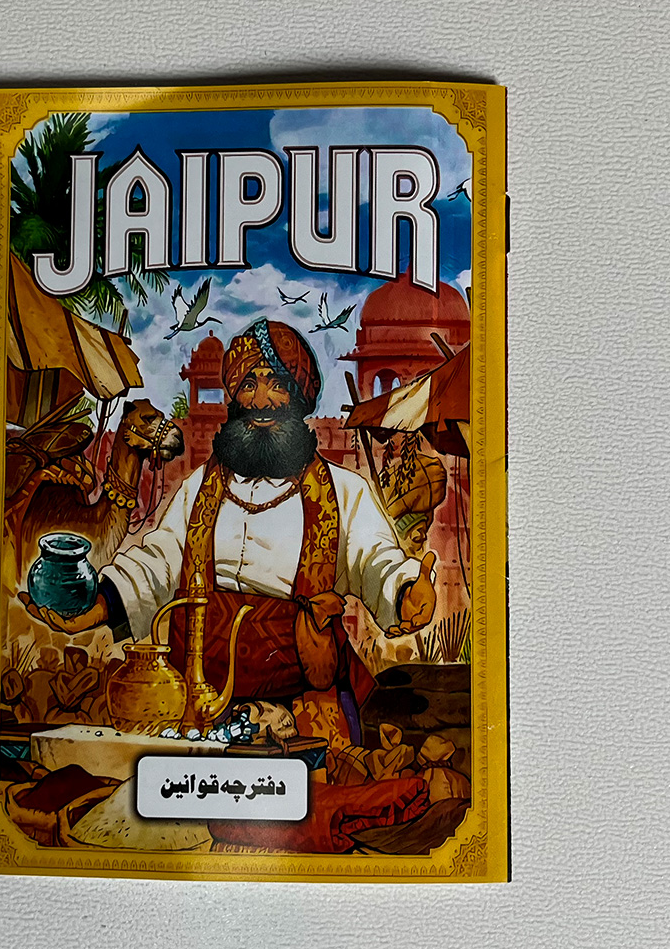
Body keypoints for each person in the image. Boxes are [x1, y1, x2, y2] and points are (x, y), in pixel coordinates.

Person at [22, 318, 436, 746]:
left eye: (277, 385)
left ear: (297, 398)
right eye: (249, 385)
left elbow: (376, 560)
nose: (261, 401)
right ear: (234, 397)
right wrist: (102, 604)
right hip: (193, 694)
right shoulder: (200, 487)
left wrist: (406, 590)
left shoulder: (343, 492)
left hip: (300, 697)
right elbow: (159, 561)